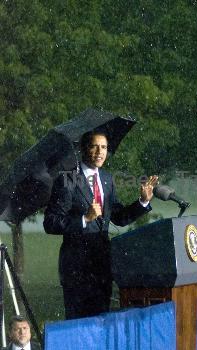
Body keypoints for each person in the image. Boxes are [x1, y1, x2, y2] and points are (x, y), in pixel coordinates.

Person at [43, 131, 158, 320]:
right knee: (79, 326)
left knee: (100, 322)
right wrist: (84, 219)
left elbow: (119, 217)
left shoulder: (106, 179)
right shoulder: (68, 179)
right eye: (94, 146)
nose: (100, 152)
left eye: (104, 147)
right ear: (83, 149)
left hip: (102, 266)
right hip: (76, 269)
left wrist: (142, 202)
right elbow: (50, 223)